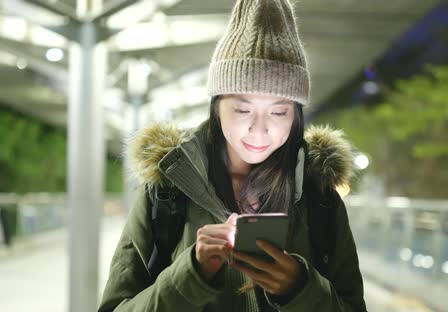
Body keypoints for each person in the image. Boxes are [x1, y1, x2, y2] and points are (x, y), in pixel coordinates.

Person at [98, 0, 366, 311]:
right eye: (242, 109)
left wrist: (300, 289)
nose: (259, 129)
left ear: (296, 116)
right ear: (216, 107)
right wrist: (191, 275)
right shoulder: (167, 190)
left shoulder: (319, 194)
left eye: (279, 111)